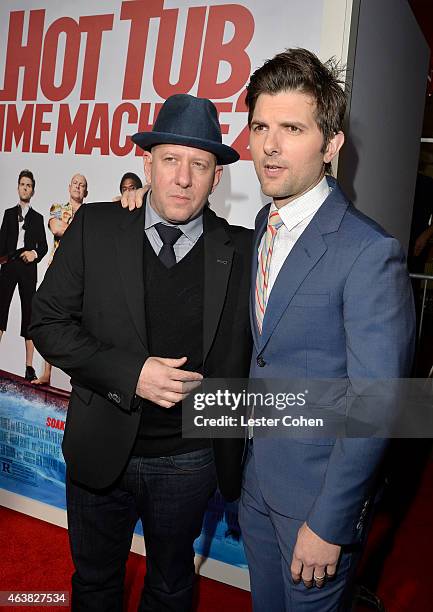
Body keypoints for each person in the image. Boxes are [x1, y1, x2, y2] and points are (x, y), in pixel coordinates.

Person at [29, 94, 252, 611]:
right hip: (99, 449)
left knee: (171, 587)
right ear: (146, 163)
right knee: (94, 583)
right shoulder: (96, 226)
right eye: (170, 159)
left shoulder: (240, 249)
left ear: (217, 177)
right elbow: (46, 323)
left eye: (199, 164)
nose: (182, 177)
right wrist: (133, 375)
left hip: (187, 462)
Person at [237, 48, 415, 611]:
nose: (270, 145)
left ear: (331, 144)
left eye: (292, 128)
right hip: (257, 485)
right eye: (261, 125)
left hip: (317, 505)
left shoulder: (369, 252)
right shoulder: (266, 220)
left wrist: (331, 522)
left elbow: (378, 404)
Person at [31, 173, 88, 386]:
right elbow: (56, 228)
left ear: (86, 191)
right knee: (50, 321)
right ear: (69, 186)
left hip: (82, 273)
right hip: (57, 271)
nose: (78, 187)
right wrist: (81, 232)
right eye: (75, 183)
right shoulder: (57, 208)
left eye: (82, 185)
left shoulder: (89, 213)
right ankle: (46, 374)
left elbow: (67, 232)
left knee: (78, 325)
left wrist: (73, 231)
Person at [0, 169, 48, 381]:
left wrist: (34, 253)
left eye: (29, 185)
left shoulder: (38, 218)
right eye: (22, 184)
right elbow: (1, 242)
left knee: (29, 313)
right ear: (18, 187)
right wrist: (6, 259)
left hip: (28, 268)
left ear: (33, 190)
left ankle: (29, 366)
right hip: (10, 265)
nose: (25, 188)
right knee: (1, 309)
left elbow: (45, 247)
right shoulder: (9, 214)